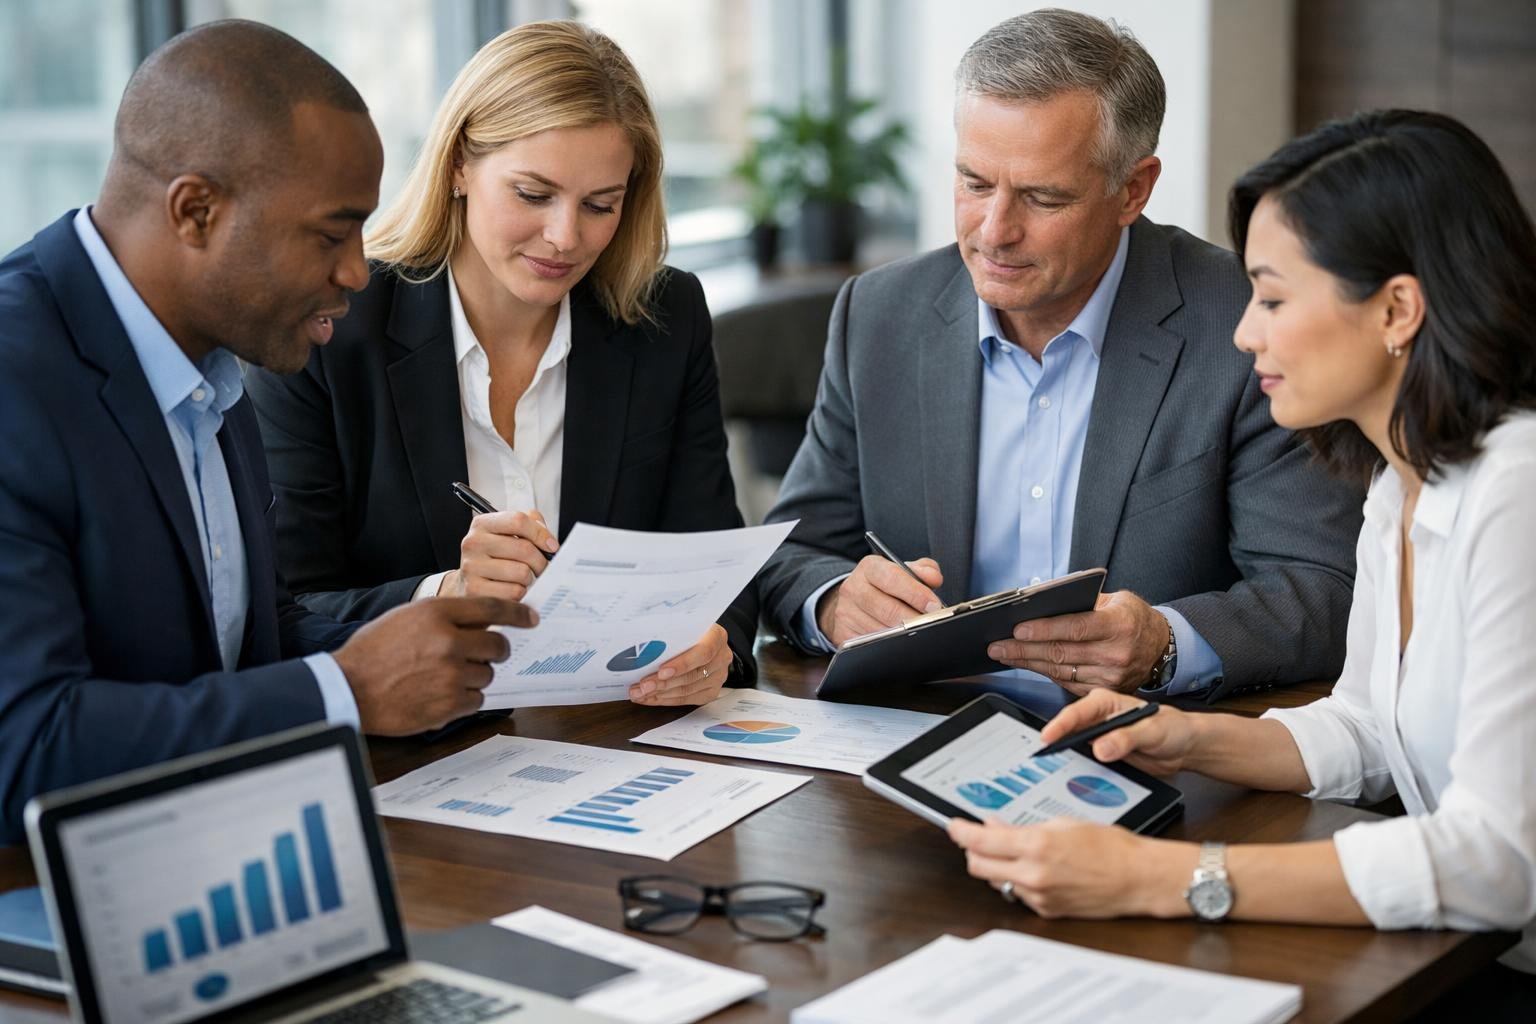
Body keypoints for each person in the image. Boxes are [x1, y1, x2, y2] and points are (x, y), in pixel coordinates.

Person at [949, 110, 1536, 1016]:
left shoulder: (1519, 493)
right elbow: (1374, 732)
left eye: (1270, 297)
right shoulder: (1401, 483)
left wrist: (1164, 876)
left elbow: (1496, 863)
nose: (1243, 336)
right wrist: (1187, 737)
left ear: (1396, 309)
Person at [0, 22, 535, 844]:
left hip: (218, 858)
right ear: (196, 211)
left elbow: (241, 647)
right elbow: (24, 747)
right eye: (331, 233)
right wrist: (344, 691)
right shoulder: (16, 378)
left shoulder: (217, 354)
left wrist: (429, 637)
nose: (357, 270)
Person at [757, 9, 1362, 704]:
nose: (995, 231)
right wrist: (834, 602)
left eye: (1043, 197)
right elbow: (786, 554)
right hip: (920, 738)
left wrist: (1163, 644)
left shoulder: (1240, 323)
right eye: (975, 184)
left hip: (1148, 746)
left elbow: (1322, 591)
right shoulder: (880, 315)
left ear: (1133, 189)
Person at [246, 20, 755, 707]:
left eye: (600, 204)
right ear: (459, 164)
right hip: (414, 754)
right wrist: (447, 594)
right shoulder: (329, 325)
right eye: (533, 194)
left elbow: (718, 571)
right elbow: (281, 615)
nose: (565, 237)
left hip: (611, 739)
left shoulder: (664, 318)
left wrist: (712, 642)